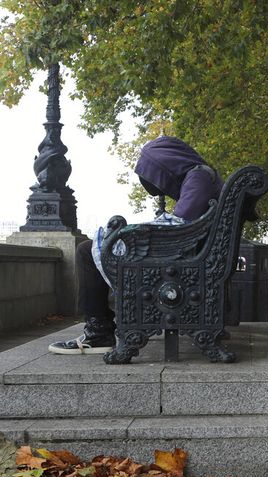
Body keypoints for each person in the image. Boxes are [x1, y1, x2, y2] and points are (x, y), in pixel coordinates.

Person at [48, 136, 224, 354]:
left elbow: (178, 229)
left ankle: (99, 331)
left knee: (86, 250)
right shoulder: (203, 176)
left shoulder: (198, 178)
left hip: (181, 262)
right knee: (93, 247)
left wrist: (130, 233)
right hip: (195, 256)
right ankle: (99, 328)